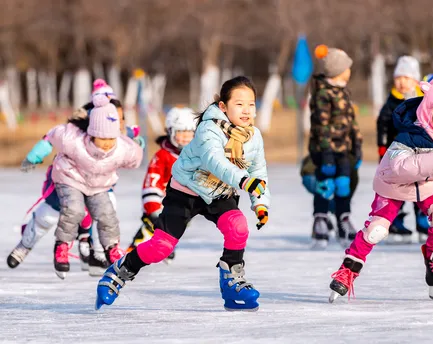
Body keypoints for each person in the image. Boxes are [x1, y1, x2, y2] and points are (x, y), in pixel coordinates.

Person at [95, 76, 270, 312]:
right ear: (223, 107)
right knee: (161, 248)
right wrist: (244, 180)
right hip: (185, 191)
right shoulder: (209, 128)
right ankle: (119, 271)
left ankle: (232, 280)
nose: (246, 110)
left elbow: (258, 170)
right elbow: (214, 161)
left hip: (218, 193)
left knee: (238, 227)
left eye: (251, 104)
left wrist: (261, 204)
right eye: (239, 104)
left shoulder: (253, 137)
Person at [328, 77, 433, 302]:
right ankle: (348, 270)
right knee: (377, 229)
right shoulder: (408, 136)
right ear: (428, 110)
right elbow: (399, 168)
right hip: (394, 183)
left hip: (429, 181)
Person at [45, 93, 143, 279]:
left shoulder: (121, 147)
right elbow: (54, 134)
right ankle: (62, 245)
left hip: (98, 185)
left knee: (107, 214)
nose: (107, 144)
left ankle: (111, 247)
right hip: (70, 179)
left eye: (111, 139)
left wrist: (138, 146)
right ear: (91, 133)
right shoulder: (73, 140)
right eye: (102, 138)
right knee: (74, 210)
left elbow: (135, 157)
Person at [308, 45, 362, 249]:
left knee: (343, 185)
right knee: (325, 184)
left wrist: (357, 143)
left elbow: (351, 122)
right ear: (337, 71)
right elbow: (321, 125)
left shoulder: (343, 92)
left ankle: (343, 219)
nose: (349, 72)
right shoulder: (323, 94)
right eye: (347, 68)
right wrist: (326, 152)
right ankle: (320, 220)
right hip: (325, 150)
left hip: (344, 150)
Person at [126, 106, 196, 263]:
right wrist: (152, 207)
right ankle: (132, 252)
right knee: (152, 226)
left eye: (189, 133)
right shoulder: (162, 156)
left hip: (183, 204)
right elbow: (152, 181)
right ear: (171, 132)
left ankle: (165, 246)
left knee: (176, 225)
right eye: (180, 133)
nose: (185, 138)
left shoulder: (197, 156)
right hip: (161, 203)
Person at [377, 56, 425, 242]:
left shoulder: (420, 100)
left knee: (419, 187)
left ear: (415, 80)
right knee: (395, 188)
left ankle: (422, 219)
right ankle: (394, 220)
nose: (402, 82)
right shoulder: (391, 103)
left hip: (416, 153)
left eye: (407, 78)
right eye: (399, 78)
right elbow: (382, 125)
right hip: (394, 153)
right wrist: (382, 148)